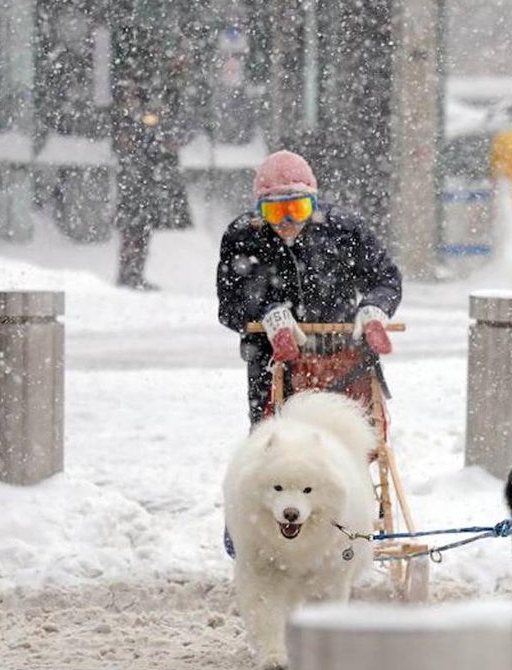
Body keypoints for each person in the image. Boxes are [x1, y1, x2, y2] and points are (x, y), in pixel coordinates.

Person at [216, 150, 402, 425]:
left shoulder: (343, 229)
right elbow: (230, 304)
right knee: (276, 443)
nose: (288, 223)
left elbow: (385, 278)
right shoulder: (243, 237)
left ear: (314, 203)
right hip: (272, 362)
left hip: (342, 356)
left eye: (298, 209)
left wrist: (375, 307)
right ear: (259, 211)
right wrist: (267, 313)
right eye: (276, 212)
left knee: (347, 436)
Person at [111, 77, 193, 290]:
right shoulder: (123, 118)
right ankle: (127, 274)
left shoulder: (143, 120)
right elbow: (125, 145)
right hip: (132, 185)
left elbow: (156, 145)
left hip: (141, 186)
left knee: (141, 233)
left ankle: (134, 274)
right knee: (132, 233)